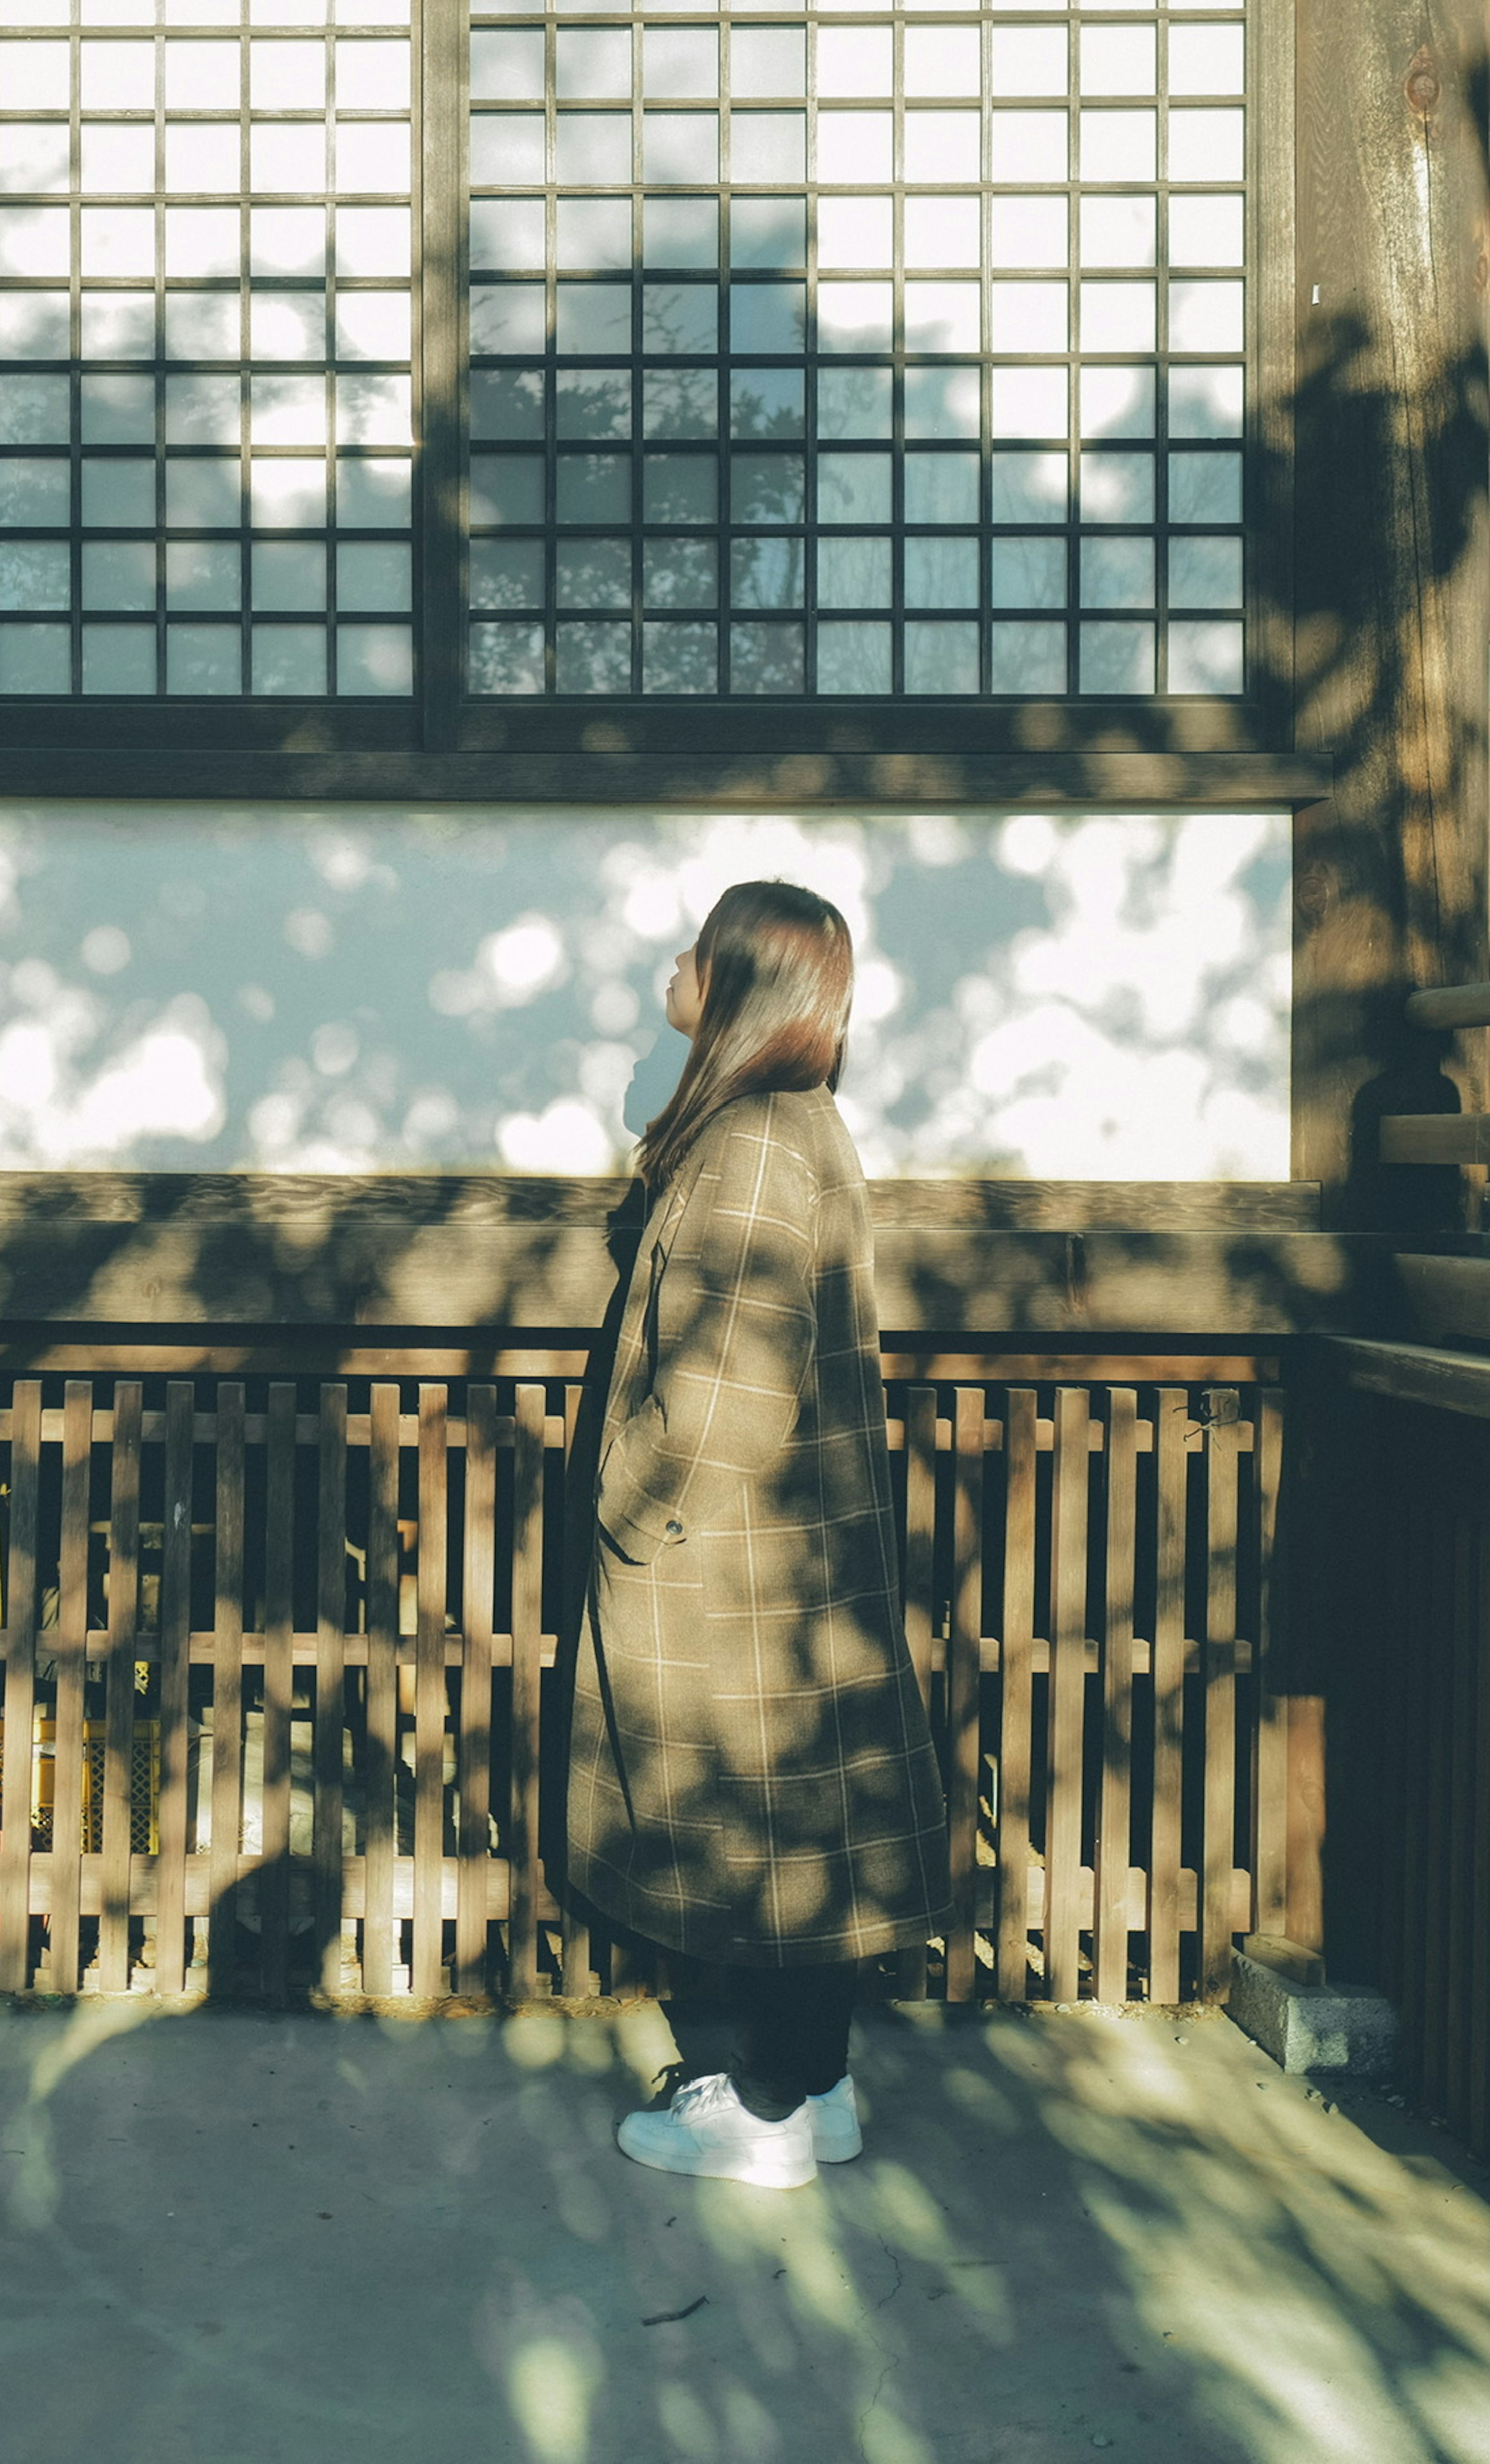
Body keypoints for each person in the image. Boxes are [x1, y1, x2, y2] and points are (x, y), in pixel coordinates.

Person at [564, 878, 949, 2190]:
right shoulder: (791, 1126)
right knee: (802, 1812)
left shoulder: (755, 1146)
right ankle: (817, 2092)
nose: (671, 966)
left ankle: (770, 2114)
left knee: (762, 1823)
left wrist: (626, 1506)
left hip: (732, 1560)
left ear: (736, 985)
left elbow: (725, 1388)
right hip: (782, 1553)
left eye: (696, 950)